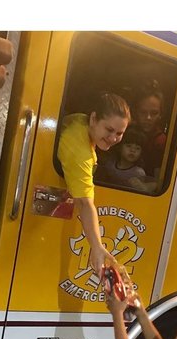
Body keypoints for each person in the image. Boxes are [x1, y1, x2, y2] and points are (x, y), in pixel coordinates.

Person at [57, 92, 130, 275]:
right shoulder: (81, 153)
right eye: (109, 130)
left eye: (119, 133)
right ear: (94, 118)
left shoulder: (81, 122)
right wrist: (97, 246)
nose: (113, 138)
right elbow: (83, 202)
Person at [96, 126, 157, 193]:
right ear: (120, 147)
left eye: (137, 148)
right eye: (128, 146)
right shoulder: (110, 163)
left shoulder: (138, 172)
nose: (133, 150)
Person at [132, 80, 167, 178]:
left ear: (161, 115)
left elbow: (158, 179)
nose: (148, 118)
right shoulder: (124, 134)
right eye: (143, 112)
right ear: (135, 112)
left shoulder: (161, 141)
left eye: (154, 113)